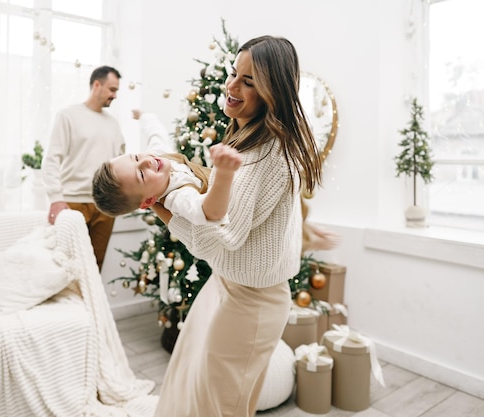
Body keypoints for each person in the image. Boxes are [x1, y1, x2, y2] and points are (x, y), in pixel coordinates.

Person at [151, 36, 324, 417]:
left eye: (249, 81)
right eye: (234, 73)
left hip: (250, 301)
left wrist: (161, 208)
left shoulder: (264, 152)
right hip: (227, 285)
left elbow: (221, 239)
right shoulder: (251, 139)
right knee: (188, 384)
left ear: (272, 91)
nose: (232, 86)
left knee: (218, 405)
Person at [92, 111, 242, 226]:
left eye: (136, 157)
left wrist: (143, 116)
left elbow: (156, 133)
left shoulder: (159, 155)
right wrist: (224, 173)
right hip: (240, 205)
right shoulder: (177, 197)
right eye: (141, 175)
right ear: (149, 200)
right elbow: (212, 212)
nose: (146, 162)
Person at [41, 65, 125, 271]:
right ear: (97, 85)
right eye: (112, 89)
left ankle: (91, 305)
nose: (114, 95)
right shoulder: (68, 116)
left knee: (95, 267)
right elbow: (52, 159)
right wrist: (56, 198)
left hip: (105, 207)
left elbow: (121, 163)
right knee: (64, 266)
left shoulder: (113, 124)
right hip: (72, 203)